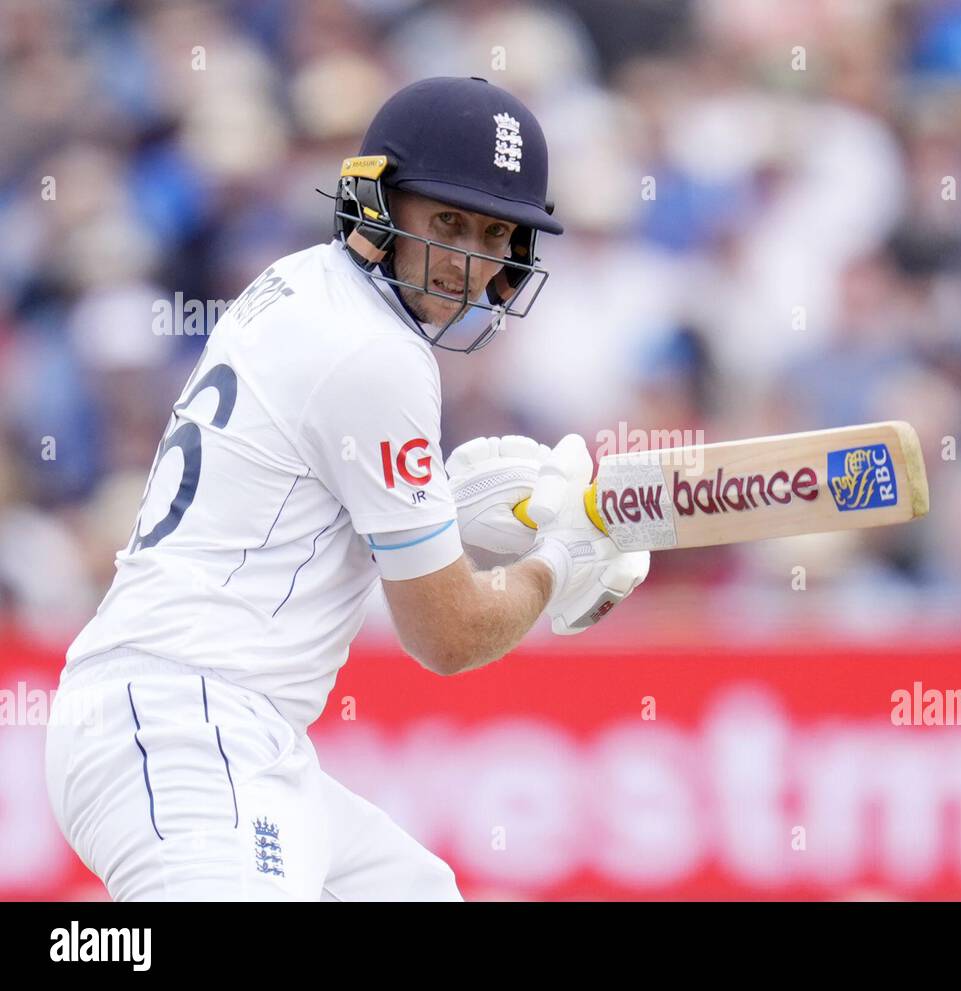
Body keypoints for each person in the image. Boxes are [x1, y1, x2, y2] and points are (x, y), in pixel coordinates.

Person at [43, 76, 651, 901]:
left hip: (210, 722)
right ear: (379, 203)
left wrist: (445, 504)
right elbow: (448, 635)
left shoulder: (301, 280)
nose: (468, 261)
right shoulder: (378, 354)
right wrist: (557, 561)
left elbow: (302, 487)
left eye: (494, 232)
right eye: (446, 221)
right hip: (181, 724)